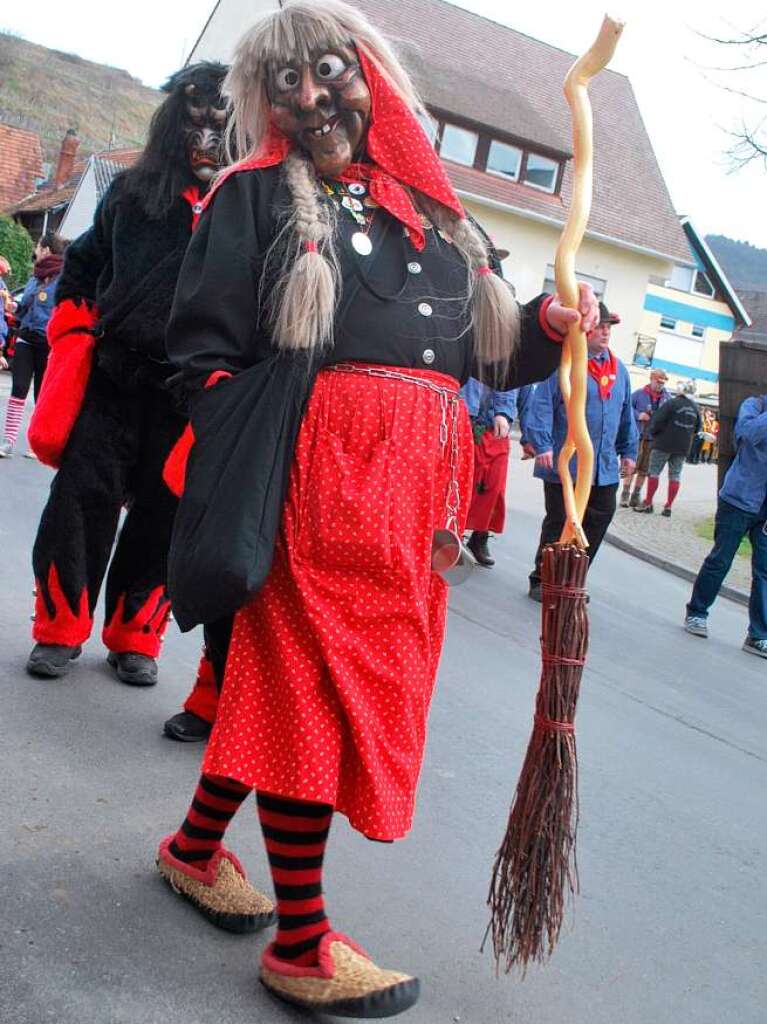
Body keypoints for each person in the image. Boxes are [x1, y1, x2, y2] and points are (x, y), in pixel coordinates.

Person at [153, 2, 599, 1016]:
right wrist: (258, 467)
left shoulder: (438, 216)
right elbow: (201, 354)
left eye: (327, 71)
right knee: (305, 693)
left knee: (312, 690)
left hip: (408, 512)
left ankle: (191, 848)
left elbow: (486, 351)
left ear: (372, 76)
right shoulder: (254, 196)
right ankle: (303, 941)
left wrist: (550, 323)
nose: (309, 96)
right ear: (262, 102)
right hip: (309, 486)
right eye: (284, 83)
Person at [24, 62, 229, 685]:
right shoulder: (133, 193)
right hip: (114, 378)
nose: (206, 130)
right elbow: (81, 266)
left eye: (220, 116)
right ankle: (59, 627)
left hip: (187, 393)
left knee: (163, 516)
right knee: (79, 500)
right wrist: (75, 337)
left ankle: (135, 633)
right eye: (194, 114)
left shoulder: (246, 209)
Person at [524, 300, 637, 601]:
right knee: (560, 521)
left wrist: (629, 452)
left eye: (608, 326)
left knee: (596, 523)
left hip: (602, 469)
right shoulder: (565, 363)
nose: (605, 332)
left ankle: (572, 579)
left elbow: (625, 414)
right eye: (600, 326)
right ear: (583, 330)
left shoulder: (619, 371)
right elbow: (543, 405)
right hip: (567, 464)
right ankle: (543, 579)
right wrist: (543, 444)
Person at [684, 394, 767, 658]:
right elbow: (747, 433)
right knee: (721, 560)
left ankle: (758, 634)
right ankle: (697, 612)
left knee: (764, 572)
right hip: (739, 498)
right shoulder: (754, 406)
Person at [0, 235, 66, 459]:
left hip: (48, 344)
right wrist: (13, 305)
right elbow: (23, 304)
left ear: (46, 250)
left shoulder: (63, 279)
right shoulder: (34, 279)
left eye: (37, 247)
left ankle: (35, 444)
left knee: (41, 395)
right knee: (18, 389)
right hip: (26, 339)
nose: (35, 251)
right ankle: (8, 441)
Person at [460, 378, 518, 567]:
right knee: (461, 486)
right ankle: (454, 535)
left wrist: (504, 412)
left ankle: (480, 536)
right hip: (465, 418)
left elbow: (511, 382)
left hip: (494, 426)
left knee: (494, 489)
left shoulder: (507, 353)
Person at [634, 386, 700, 516]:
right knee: (675, 475)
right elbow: (698, 428)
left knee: (654, 473)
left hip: (663, 444)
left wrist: (654, 434)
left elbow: (657, 421)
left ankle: (648, 503)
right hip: (682, 447)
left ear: (680, 392)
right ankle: (668, 506)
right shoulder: (695, 408)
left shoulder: (671, 403)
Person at [621, 367, 670, 506]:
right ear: (651, 379)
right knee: (630, 466)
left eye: (663, 382)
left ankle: (636, 494)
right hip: (636, 435)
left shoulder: (667, 398)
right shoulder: (638, 394)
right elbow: (627, 407)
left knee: (645, 469)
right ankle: (625, 494)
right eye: (658, 382)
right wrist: (638, 415)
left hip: (653, 438)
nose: (660, 385)